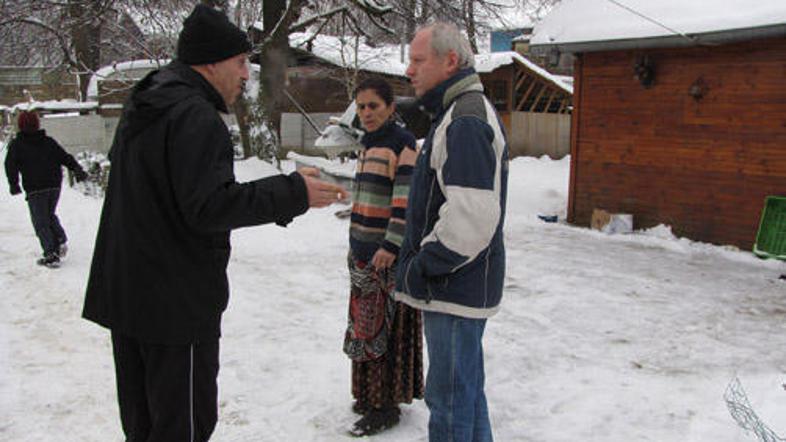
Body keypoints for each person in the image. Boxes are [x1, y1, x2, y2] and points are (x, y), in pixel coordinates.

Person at [81, 5, 346, 441]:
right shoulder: (194, 115)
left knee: (144, 425)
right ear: (209, 62)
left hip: (129, 296)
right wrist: (293, 193)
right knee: (183, 427)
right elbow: (208, 206)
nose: (247, 74)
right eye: (240, 62)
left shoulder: (149, 101)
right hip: (173, 306)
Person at [394, 22, 509, 442]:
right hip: (455, 288)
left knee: (451, 402)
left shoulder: (464, 120)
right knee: (465, 397)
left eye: (418, 60)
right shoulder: (455, 113)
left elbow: (472, 218)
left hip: (452, 287)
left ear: (451, 62)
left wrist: (424, 267)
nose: (409, 70)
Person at [343, 77, 424, 437]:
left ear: (391, 107)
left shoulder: (403, 145)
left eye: (373, 106)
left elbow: (404, 204)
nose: (366, 113)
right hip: (360, 252)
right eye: (361, 107)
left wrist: (390, 247)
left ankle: (385, 405)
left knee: (382, 332)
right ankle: (367, 396)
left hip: (384, 257)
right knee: (363, 328)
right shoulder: (366, 143)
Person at [4, 110, 88, 268]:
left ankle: (51, 253)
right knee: (48, 215)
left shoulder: (17, 144)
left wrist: (14, 184)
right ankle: (60, 240)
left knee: (40, 221)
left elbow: (10, 165)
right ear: (37, 124)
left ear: (21, 125)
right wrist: (77, 169)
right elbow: (64, 156)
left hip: (35, 188)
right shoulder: (48, 141)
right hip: (54, 185)